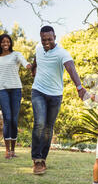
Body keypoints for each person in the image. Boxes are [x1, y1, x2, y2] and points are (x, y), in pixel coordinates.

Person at [30, 25, 87, 175]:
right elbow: (36, 60)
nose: (46, 42)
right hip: (38, 91)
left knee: (48, 127)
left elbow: (70, 68)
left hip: (55, 95)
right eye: (44, 39)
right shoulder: (38, 47)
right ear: (40, 38)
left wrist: (79, 87)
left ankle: (43, 159)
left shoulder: (62, 53)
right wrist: (33, 70)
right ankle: (36, 159)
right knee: (40, 123)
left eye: (49, 38)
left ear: (55, 37)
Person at [0, 33, 31, 159]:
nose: (5, 44)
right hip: (2, 90)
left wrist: (31, 66)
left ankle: (13, 150)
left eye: (7, 41)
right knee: (7, 118)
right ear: (0, 44)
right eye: (3, 42)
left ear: (10, 43)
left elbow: (25, 63)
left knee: (14, 119)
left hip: (15, 89)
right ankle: (7, 150)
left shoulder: (16, 55)